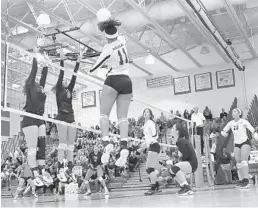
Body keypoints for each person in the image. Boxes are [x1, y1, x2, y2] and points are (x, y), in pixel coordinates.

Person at [88, 14, 132, 168]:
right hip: (127, 81)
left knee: (103, 114)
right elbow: (121, 37)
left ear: (106, 37)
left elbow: (94, 69)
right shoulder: (122, 41)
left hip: (113, 80)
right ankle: (124, 145)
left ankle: (106, 141)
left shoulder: (107, 48)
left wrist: (88, 67)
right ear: (117, 34)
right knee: (123, 117)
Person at [21, 48, 50, 185]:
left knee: (42, 147)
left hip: (40, 118)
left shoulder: (40, 87)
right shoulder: (30, 84)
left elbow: (44, 76)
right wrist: (35, 56)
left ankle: (43, 172)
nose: (37, 79)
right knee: (32, 148)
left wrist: (46, 62)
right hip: (29, 118)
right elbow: (34, 71)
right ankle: (35, 173)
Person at [52, 48, 82, 178]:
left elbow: (74, 77)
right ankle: (59, 164)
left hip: (71, 117)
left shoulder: (69, 89)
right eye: (63, 81)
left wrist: (78, 63)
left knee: (71, 144)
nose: (65, 81)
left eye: (65, 81)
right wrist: (62, 59)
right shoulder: (59, 89)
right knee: (63, 142)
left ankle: (70, 165)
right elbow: (61, 73)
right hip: (61, 117)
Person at [221, 108, 258, 188]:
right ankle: (243, 179)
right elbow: (223, 131)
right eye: (232, 112)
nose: (233, 113)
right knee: (238, 163)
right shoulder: (230, 123)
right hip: (236, 144)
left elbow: (252, 130)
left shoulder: (244, 121)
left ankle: (246, 181)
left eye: (235, 111)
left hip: (245, 142)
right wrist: (224, 133)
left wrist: (256, 136)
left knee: (244, 161)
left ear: (239, 113)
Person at [167, 122, 198, 196]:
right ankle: (185, 187)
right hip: (190, 163)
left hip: (191, 163)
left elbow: (186, 155)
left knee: (174, 168)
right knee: (171, 171)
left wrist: (181, 164)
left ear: (177, 131)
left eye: (173, 128)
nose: (171, 130)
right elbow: (184, 154)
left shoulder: (180, 141)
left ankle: (186, 188)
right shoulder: (180, 140)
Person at [136, 108, 161, 195]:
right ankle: (156, 185)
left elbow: (154, 135)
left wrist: (153, 134)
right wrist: (140, 149)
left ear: (150, 115)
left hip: (154, 145)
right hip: (151, 146)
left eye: (148, 112)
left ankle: (153, 187)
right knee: (148, 169)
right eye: (145, 112)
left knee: (150, 168)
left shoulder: (150, 122)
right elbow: (147, 139)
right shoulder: (146, 124)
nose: (146, 113)